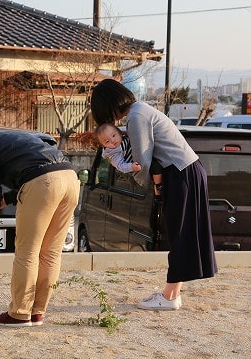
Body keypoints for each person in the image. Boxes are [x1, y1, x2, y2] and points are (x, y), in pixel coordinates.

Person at [90, 78, 217, 310]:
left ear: (109, 104)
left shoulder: (136, 117)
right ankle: (172, 294)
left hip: (181, 173)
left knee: (179, 234)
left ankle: (169, 298)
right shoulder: (140, 110)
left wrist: (141, 183)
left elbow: (143, 161)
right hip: (187, 170)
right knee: (182, 233)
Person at [0, 131, 80, 327]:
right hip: (70, 179)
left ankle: (19, 314)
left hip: (44, 182)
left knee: (27, 252)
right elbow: (32, 173)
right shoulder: (9, 140)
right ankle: (37, 312)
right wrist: (9, 198)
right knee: (51, 253)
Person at [95, 122, 164, 201]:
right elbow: (121, 166)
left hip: (147, 158)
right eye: (107, 141)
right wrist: (132, 167)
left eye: (113, 135)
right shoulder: (114, 153)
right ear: (104, 146)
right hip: (137, 167)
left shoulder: (126, 137)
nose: (112, 140)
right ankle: (158, 189)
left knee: (157, 164)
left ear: (120, 133)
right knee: (155, 166)